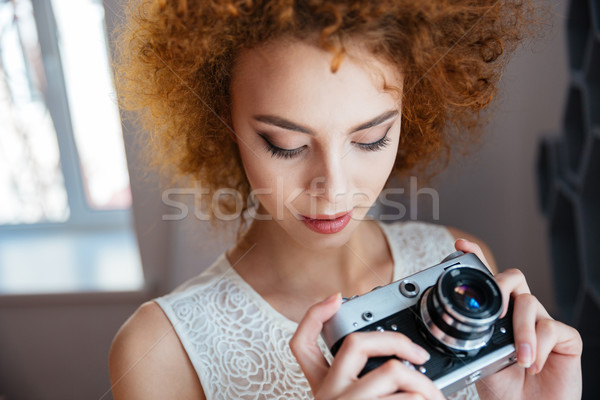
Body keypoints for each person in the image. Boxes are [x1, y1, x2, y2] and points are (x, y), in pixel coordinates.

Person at [108, 0, 582, 399]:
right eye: (285, 144)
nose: (333, 191)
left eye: (372, 137)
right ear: (221, 121)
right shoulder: (160, 352)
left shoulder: (457, 272)